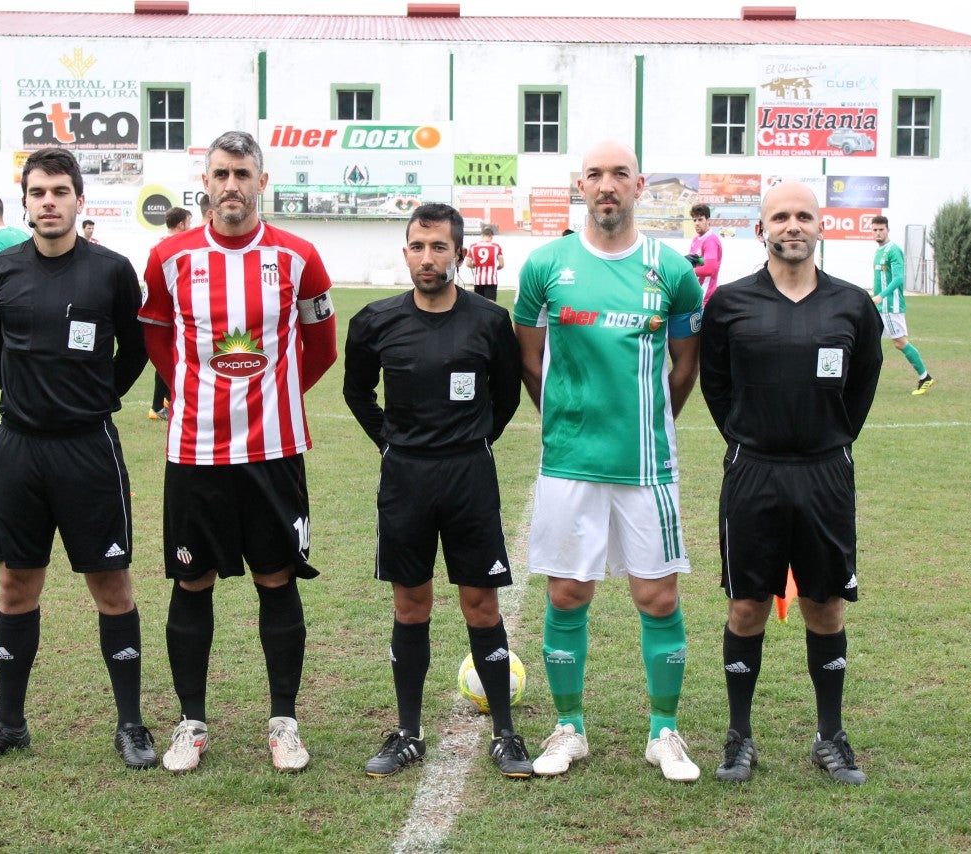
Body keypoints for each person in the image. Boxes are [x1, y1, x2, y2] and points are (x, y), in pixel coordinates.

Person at [140, 130, 338, 774]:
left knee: (276, 578)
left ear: (262, 180)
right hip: (195, 451)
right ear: (206, 180)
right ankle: (191, 723)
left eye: (242, 173)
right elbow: (160, 347)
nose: (231, 185)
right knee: (191, 578)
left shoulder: (300, 257)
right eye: (220, 173)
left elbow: (320, 346)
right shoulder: (168, 258)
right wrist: (203, 395)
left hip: (273, 450)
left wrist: (272, 395)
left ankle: (283, 721)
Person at [0, 147, 155, 769]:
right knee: (17, 583)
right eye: (38, 191)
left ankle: (131, 725)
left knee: (111, 584)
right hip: (17, 449)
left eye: (60, 191)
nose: (49, 202)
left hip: (88, 448)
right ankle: (9, 723)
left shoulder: (112, 271)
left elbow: (136, 349)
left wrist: (93, 398)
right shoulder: (0, 273)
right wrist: (24, 394)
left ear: (79, 200)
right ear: (25, 200)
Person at [514, 140, 704, 782]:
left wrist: (648, 423)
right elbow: (529, 360)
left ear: (638, 186)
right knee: (568, 592)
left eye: (619, 174)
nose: (607, 185)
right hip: (569, 461)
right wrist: (566, 417)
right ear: (580, 186)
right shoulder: (546, 265)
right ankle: (569, 727)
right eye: (595, 174)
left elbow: (685, 368)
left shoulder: (672, 270)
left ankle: (664, 732)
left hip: (646, 466)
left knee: (657, 595)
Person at [699, 181, 883, 785]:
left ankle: (830, 736)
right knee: (747, 604)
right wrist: (751, 437)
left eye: (804, 215)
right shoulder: (728, 304)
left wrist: (827, 437)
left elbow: (861, 389)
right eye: (781, 216)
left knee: (824, 605)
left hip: (826, 473)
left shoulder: (853, 305)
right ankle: (739, 738)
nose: (793, 226)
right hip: (753, 472)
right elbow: (716, 386)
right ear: (761, 229)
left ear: (820, 226)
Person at [343, 203, 531, 779]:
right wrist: (394, 445)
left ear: (460, 254)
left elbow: (506, 399)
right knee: (411, 603)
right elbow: (357, 394)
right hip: (405, 480)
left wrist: (468, 441)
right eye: (418, 247)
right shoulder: (374, 321)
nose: (428, 258)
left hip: (469, 476)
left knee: (481, 603)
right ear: (406, 253)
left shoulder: (490, 321)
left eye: (440, 247)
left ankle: (504, 732)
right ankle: (407, 731)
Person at [870, 215, 933, 395]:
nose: (878, 233)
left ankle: (925, 376)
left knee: (900, 342)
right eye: (875, 230)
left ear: (887, 230)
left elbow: (898, 279)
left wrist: (881, 296)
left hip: (891, 307)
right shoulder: (879, 252)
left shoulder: (893, 250)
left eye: (881, 229)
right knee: (867, 340)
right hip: (880, 306)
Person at [146, 207, 193, 422]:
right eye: (189, 223)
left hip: (166, 306)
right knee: (168, 354)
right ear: (181, 224)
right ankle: (157, 406)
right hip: (172, 308)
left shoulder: (159, 242)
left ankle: (166, 400)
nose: (190, 227)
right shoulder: (174, 246)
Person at [687, 203, 723, 303]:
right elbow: (694, 264)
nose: (697, 223)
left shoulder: (710, 240)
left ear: (708, 221)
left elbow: (709, 269)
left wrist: (686, 271)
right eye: (694, 220)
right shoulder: (695, 240)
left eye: (700, 219)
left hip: (705, 298)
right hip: (696, 293)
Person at [465, 225, 505, 301]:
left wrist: (475, 266)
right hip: (491, 280)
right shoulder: (496, 247)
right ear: (491, 236)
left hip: (478, 280)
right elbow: (501, 264)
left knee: (479, 304)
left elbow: (468, 263)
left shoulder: (473, 246)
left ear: (482, 236)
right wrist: (494, 268)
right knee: (490, 304)